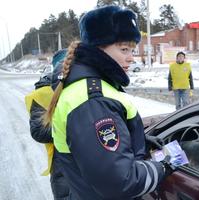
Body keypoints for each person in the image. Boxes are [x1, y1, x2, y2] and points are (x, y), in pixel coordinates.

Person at [43, 6, 175, 200]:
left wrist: (139, 141)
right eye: (123, 49)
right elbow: (121, 183)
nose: (131, 57)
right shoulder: (94, 101)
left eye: (132, 49)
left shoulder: (92, 88)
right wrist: (163, 166)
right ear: (98, 48)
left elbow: (95, 151)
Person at [25, 49, 70, 200]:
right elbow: (38, 131)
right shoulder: (41, 94)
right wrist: (73, 128)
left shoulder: (83, 86)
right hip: (61, 161)